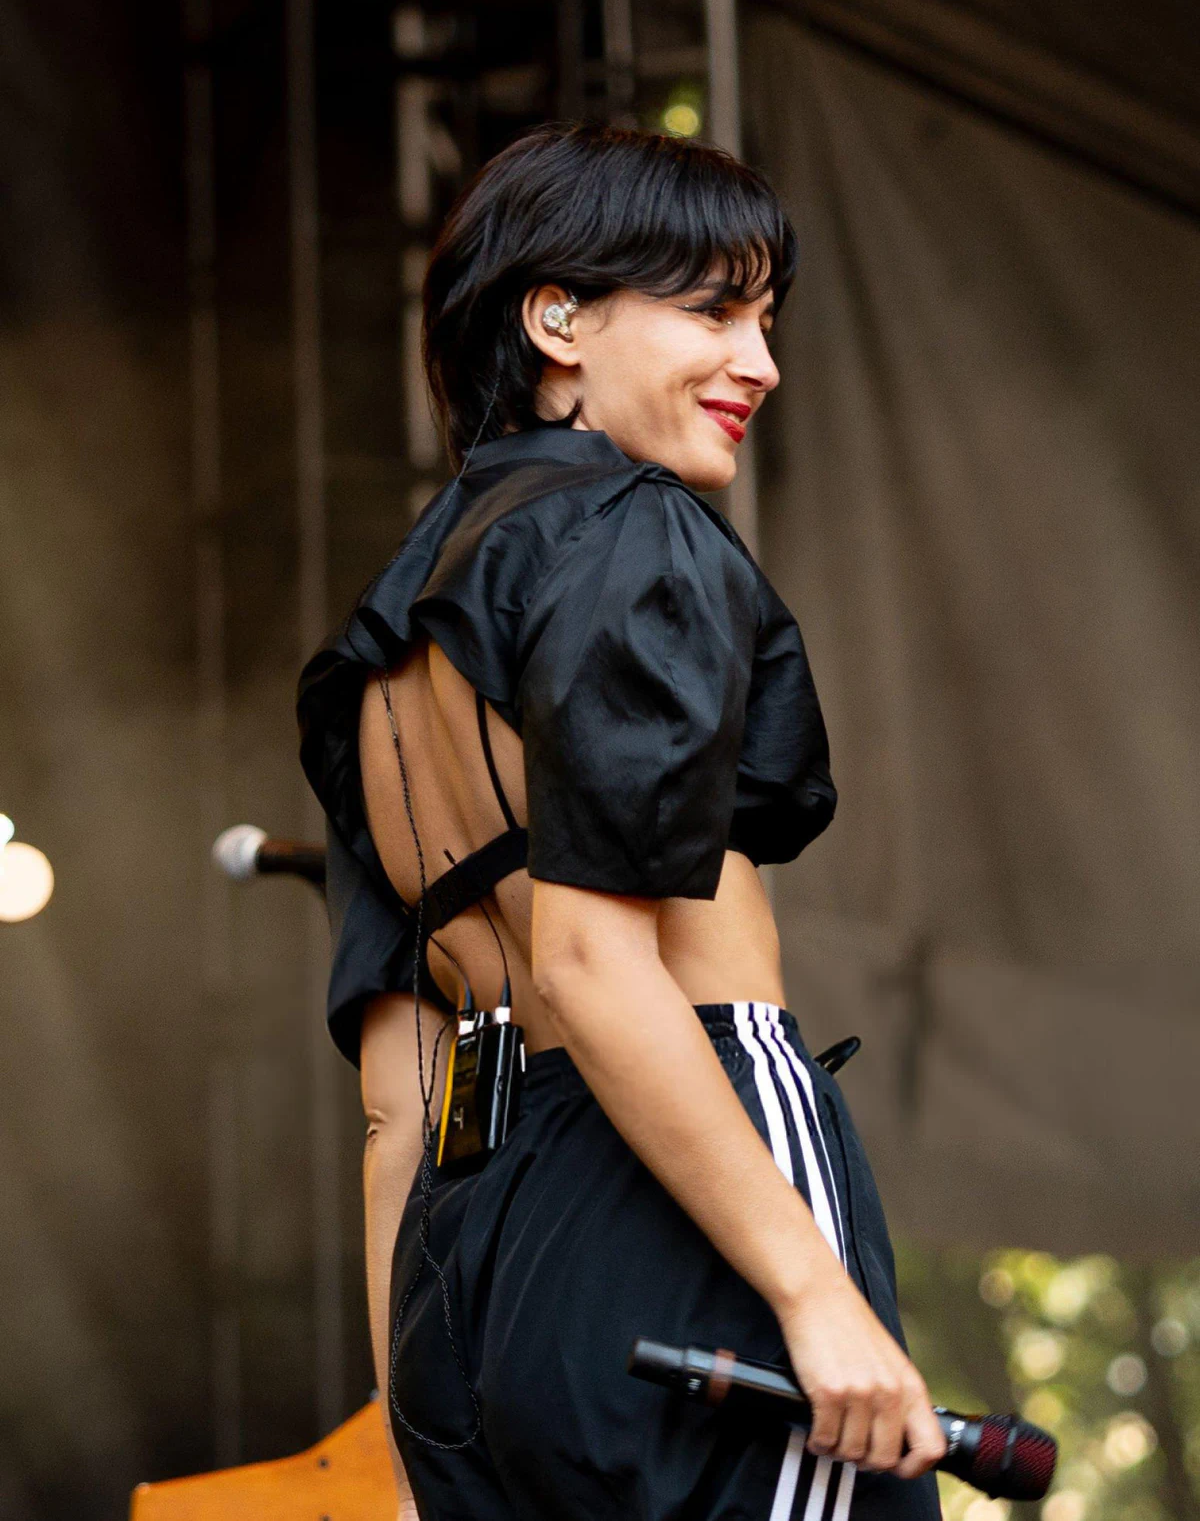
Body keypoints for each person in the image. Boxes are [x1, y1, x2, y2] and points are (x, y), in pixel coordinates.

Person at [298, 122, 945, 1521]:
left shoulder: (379, 656)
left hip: (477, 1253)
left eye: (766, 322)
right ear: (558, 320)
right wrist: (810, 1290)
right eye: (714, 311)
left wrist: (409, 1451)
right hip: (682, 1199)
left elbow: (397, 1104)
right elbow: (595, 963)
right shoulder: (629, 530)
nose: (761, 363)